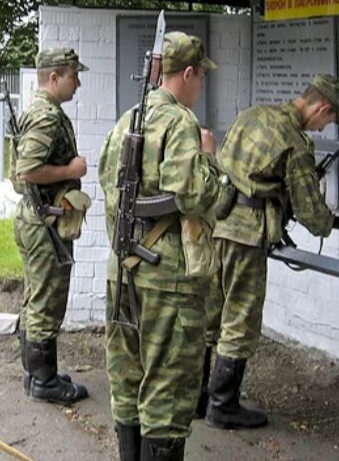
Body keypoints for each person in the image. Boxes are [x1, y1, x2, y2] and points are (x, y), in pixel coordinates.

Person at [100, 31, 230, 461]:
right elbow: (195, 196)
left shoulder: (126, 119)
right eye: (200, 78)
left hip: (123, 270)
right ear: (188, 73)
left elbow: (107, 185)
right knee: (168, 393)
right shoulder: (180, 123)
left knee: (128, 379)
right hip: (168, 280)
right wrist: (209, 156)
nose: (201, 86)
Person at [198, 74, 339, 429]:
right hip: (246, 235)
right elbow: (311, 211)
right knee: (240, 318)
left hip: (216, 221)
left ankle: (197, 398)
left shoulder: (252, 114)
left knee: (211, 313)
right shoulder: (294, 143)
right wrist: (330, 224)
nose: (323, 128)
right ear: (323, 107)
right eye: (328, 120)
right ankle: (223, 406)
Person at [12, 47, 90, 405]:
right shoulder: (46, 116)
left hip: (35, 217)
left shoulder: (41, 110)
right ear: (54, 78)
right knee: (47, 299)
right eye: (74, 75)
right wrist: (71, 172)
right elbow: (26, 170)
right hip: (44, 222)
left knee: (36, 295)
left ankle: (35, 373)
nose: (78, 83)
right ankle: (44, 381)